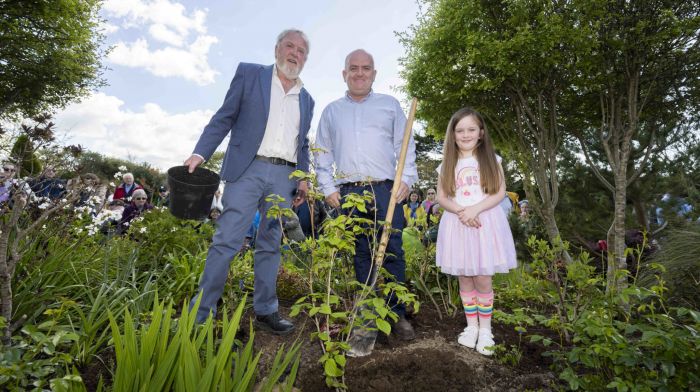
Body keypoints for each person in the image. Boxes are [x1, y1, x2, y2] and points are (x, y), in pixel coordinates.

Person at [184, 29, 314, 335]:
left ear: (305, 59)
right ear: (277, 49)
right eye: (289, 46)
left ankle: (266, 310)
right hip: (247, 170)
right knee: (227, 240)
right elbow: (224, 117)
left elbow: (303, 143)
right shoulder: (249, 74)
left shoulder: (307, 99)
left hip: (284, 176)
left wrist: (304, 178)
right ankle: (201, 312)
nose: (294, 53)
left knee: (271, 245)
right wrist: (200, 153)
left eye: (301, 51)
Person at [314, 49, 418, 340]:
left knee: (393, 251)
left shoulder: (389, 105)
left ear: (374, 73)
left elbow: (405, 145)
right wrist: (328, 188)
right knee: (362, 253)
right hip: (349, 193)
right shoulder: (332, 112)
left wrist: (407, 179)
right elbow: (322, 153)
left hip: (387, 189)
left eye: (366, 68)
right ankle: (367, 317)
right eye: (354, 68)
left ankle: (396, 316)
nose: (360, 73)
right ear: (344, 73)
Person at [434, 107, 517, 356]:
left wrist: (475, 209)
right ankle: (471, 327)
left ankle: (486, 329)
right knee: (465, 276)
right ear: (452, 134)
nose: (466, 134)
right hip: (458, 224)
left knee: (482, 276)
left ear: (481, 132)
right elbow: (441, 197)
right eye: (460, 130)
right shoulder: (446, 164)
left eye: (471, 129)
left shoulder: (492, 159)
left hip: (484, 224)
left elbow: (500, 192)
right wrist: (462, 211)